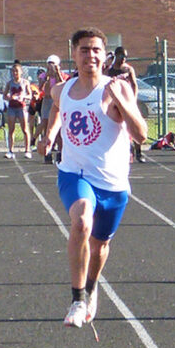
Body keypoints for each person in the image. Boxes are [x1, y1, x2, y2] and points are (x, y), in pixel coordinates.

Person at [36, 27, 147, 328]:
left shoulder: (118, 88)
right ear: (74, 54)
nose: (90, 56)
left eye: (96, 50)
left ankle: (92, 286)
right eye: (84, 50)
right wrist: (49, 136)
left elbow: (141, 135)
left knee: (99, 246)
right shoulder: (62, 88)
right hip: (74, 174)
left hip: (112, 183)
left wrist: (120, 103)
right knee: (82, 220)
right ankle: (76, 299)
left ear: (105, 55)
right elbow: (57, 107)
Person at [106, 46, 145, 163]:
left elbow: (134, 85)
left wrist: (133, 99)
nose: (123, 59)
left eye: (126, 57)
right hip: (115, 101)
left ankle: (139, 152)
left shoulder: (128, 69)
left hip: (127, 100)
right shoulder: (110, 70)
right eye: (121, 56)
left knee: (133, 124)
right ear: (116, 56)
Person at [38, 55, 68, 163]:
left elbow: (63, 85)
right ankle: (48, 153)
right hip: (47, 101)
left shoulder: (63, 75)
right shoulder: (43, 75)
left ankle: (60, 153)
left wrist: (57, 73)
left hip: (58, 102)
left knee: (59, 129)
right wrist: (47, 76)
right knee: (47, 126)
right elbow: (40, 88)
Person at [3, 63, 32, 159]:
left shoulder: (25, 82)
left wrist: (23, 97)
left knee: (25, 129)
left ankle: (27, 150)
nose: (15, 73)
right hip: (12, 107)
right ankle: (10, 150)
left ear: (21, 72)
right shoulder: (9, 83)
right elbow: (4, 95)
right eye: (13, 71)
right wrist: (10, 97)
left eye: (17, 71)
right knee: (11, 129)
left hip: (22, 108)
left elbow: (30, 95)